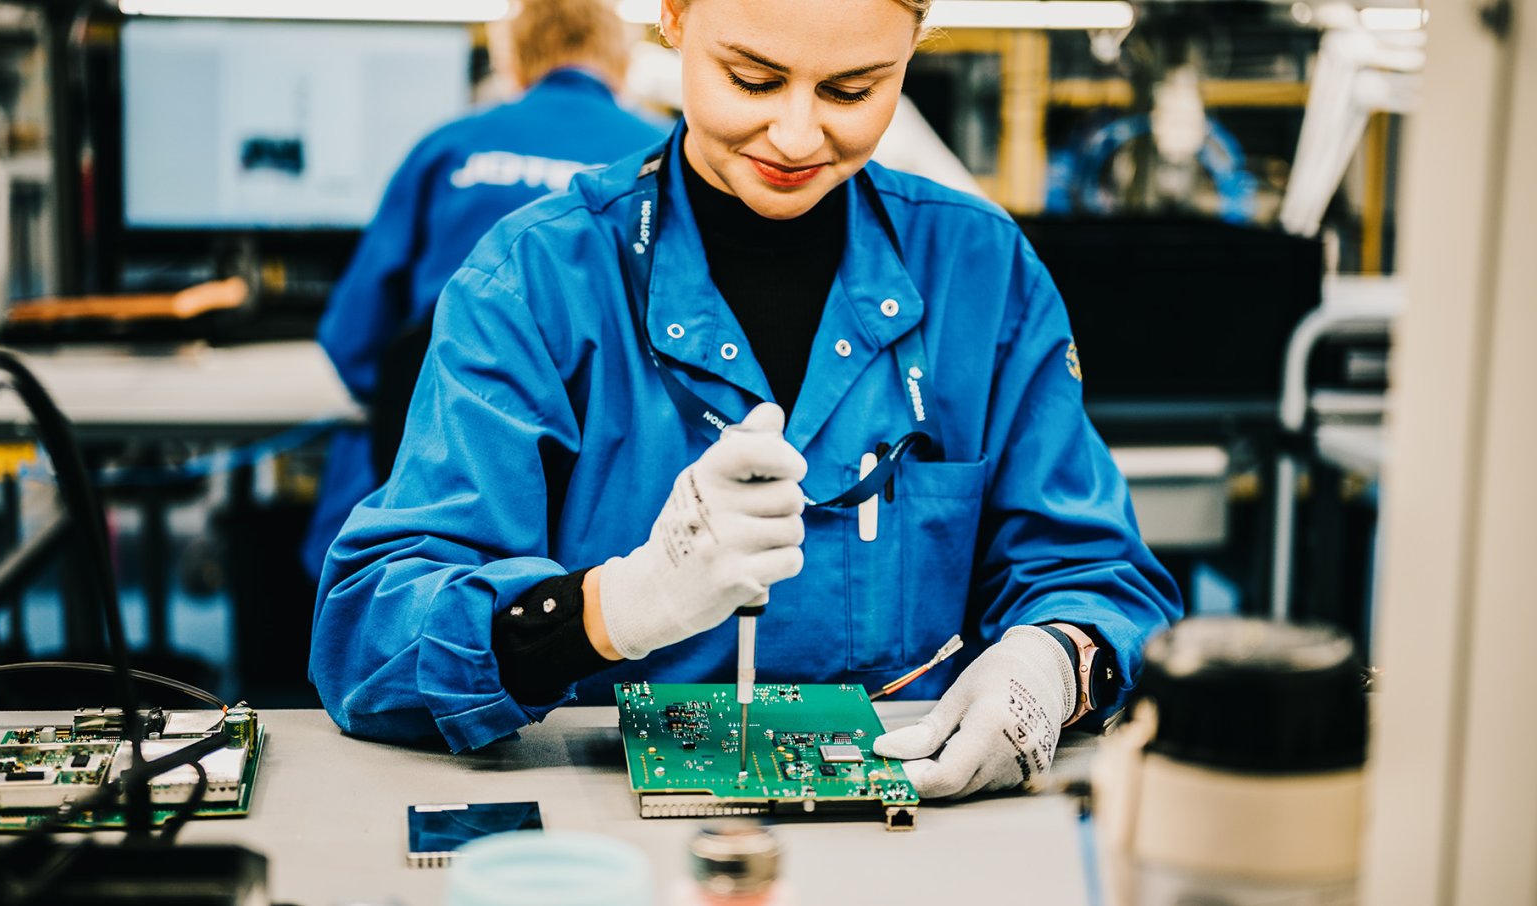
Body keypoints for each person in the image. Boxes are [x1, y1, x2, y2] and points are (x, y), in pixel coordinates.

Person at [310, 0, 1182, 799]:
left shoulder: (982, 274)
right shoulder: (534, 280)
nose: (797, 135)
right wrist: (606, 612)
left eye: (851, 89)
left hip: (916, 828)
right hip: (614, 835)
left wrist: (1051, 665)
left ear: (911, 53)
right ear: (674, 20)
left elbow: (1093, 571)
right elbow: (367, 631)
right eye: (753, 79)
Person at [299, 0, 671, 579]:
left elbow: (353, 342)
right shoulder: (666, 156)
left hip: (448, 510)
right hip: (623, 523)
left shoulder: (447, 146)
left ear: (512, 59)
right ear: (623, 58)